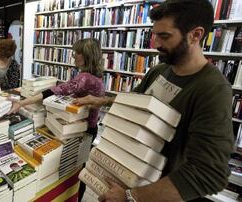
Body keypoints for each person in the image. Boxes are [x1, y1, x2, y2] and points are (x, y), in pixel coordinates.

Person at [74, 0, 234, 201]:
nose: (155, 43)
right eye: (154, 34)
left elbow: (210, 174)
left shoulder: (213, 89)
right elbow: (136, 103)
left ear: (196, 35)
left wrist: (131, 196)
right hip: (130, 174)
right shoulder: (159, 71)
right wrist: (102, 101)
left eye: (164, 36)